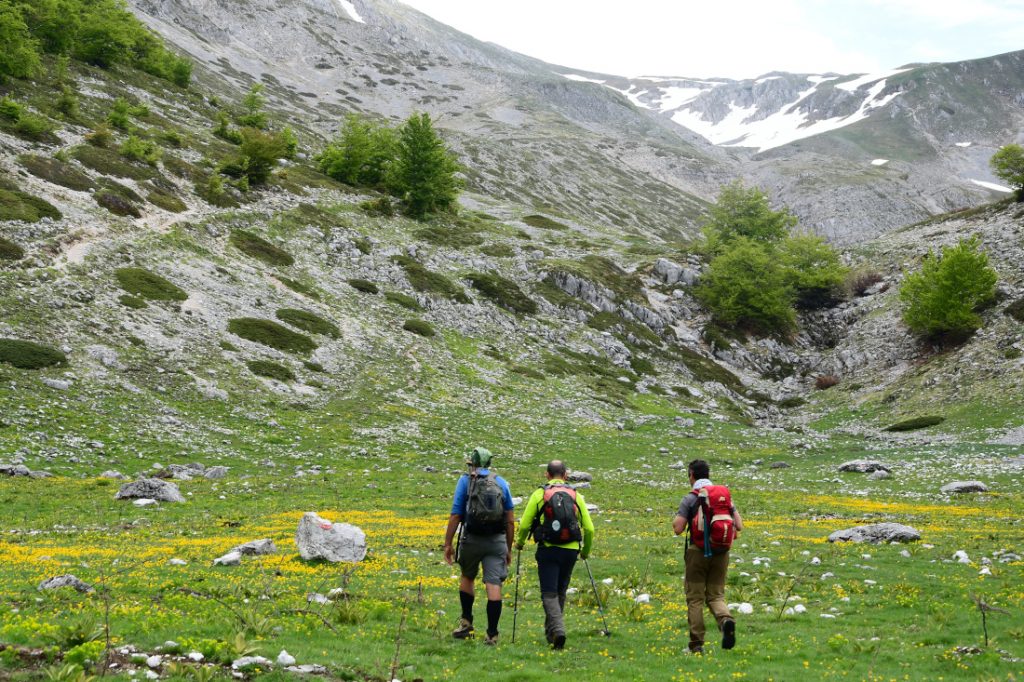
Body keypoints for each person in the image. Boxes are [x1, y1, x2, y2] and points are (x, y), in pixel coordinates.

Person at [514, 460, 595, 650]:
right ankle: (551, 633)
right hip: (571, 549)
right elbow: (589, 528)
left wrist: (520, 542)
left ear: (547, 475)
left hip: (548, 548)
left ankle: (558, 630)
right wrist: (585, 551)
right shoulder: (575, 495)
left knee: (548, 593)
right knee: (560, 591)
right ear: (565, 475)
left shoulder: (540, 494)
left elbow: (525, 524)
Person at [443, 446, 515, 645]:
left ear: (472, 463)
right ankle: (492, 634)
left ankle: (466, 624)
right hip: (497, 541)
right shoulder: (501, 482)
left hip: (471, 540)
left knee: (467, 576)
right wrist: (508, 548)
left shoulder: (465, 481)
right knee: (494, 584)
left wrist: (447, 543)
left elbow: (456, 515)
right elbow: (510, 520)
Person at [672, 458, 743, 654]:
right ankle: (726, 620)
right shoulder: (723, 498)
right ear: (709, 475)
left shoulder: (691, 498)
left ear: (691, 475)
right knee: (716, 595)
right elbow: (739, 526)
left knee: (695, 599)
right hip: (721, 553)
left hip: (697, 553)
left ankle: (696, 645)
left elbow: (678, 528)